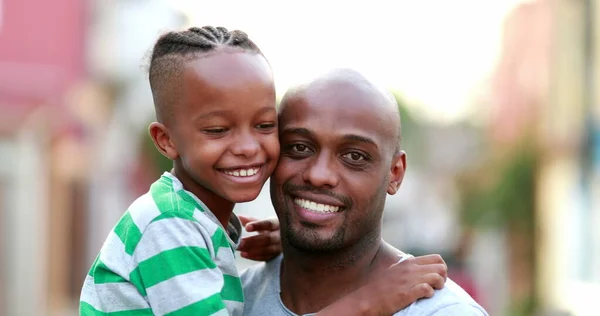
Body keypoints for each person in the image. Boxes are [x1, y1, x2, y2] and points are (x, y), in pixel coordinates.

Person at [79, 27, 447, 316]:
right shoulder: (166, 228)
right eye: (217, 130)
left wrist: (280, 243)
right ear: (166, 141)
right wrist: (371, 301)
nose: (247, 147)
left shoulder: (194, 223)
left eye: (264, 125)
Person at [241, 68, 489, 315]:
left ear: (395, 174)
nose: (319, 175)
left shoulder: (442, 312)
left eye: (354, 156)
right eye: (299, 147)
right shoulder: (228, 300)